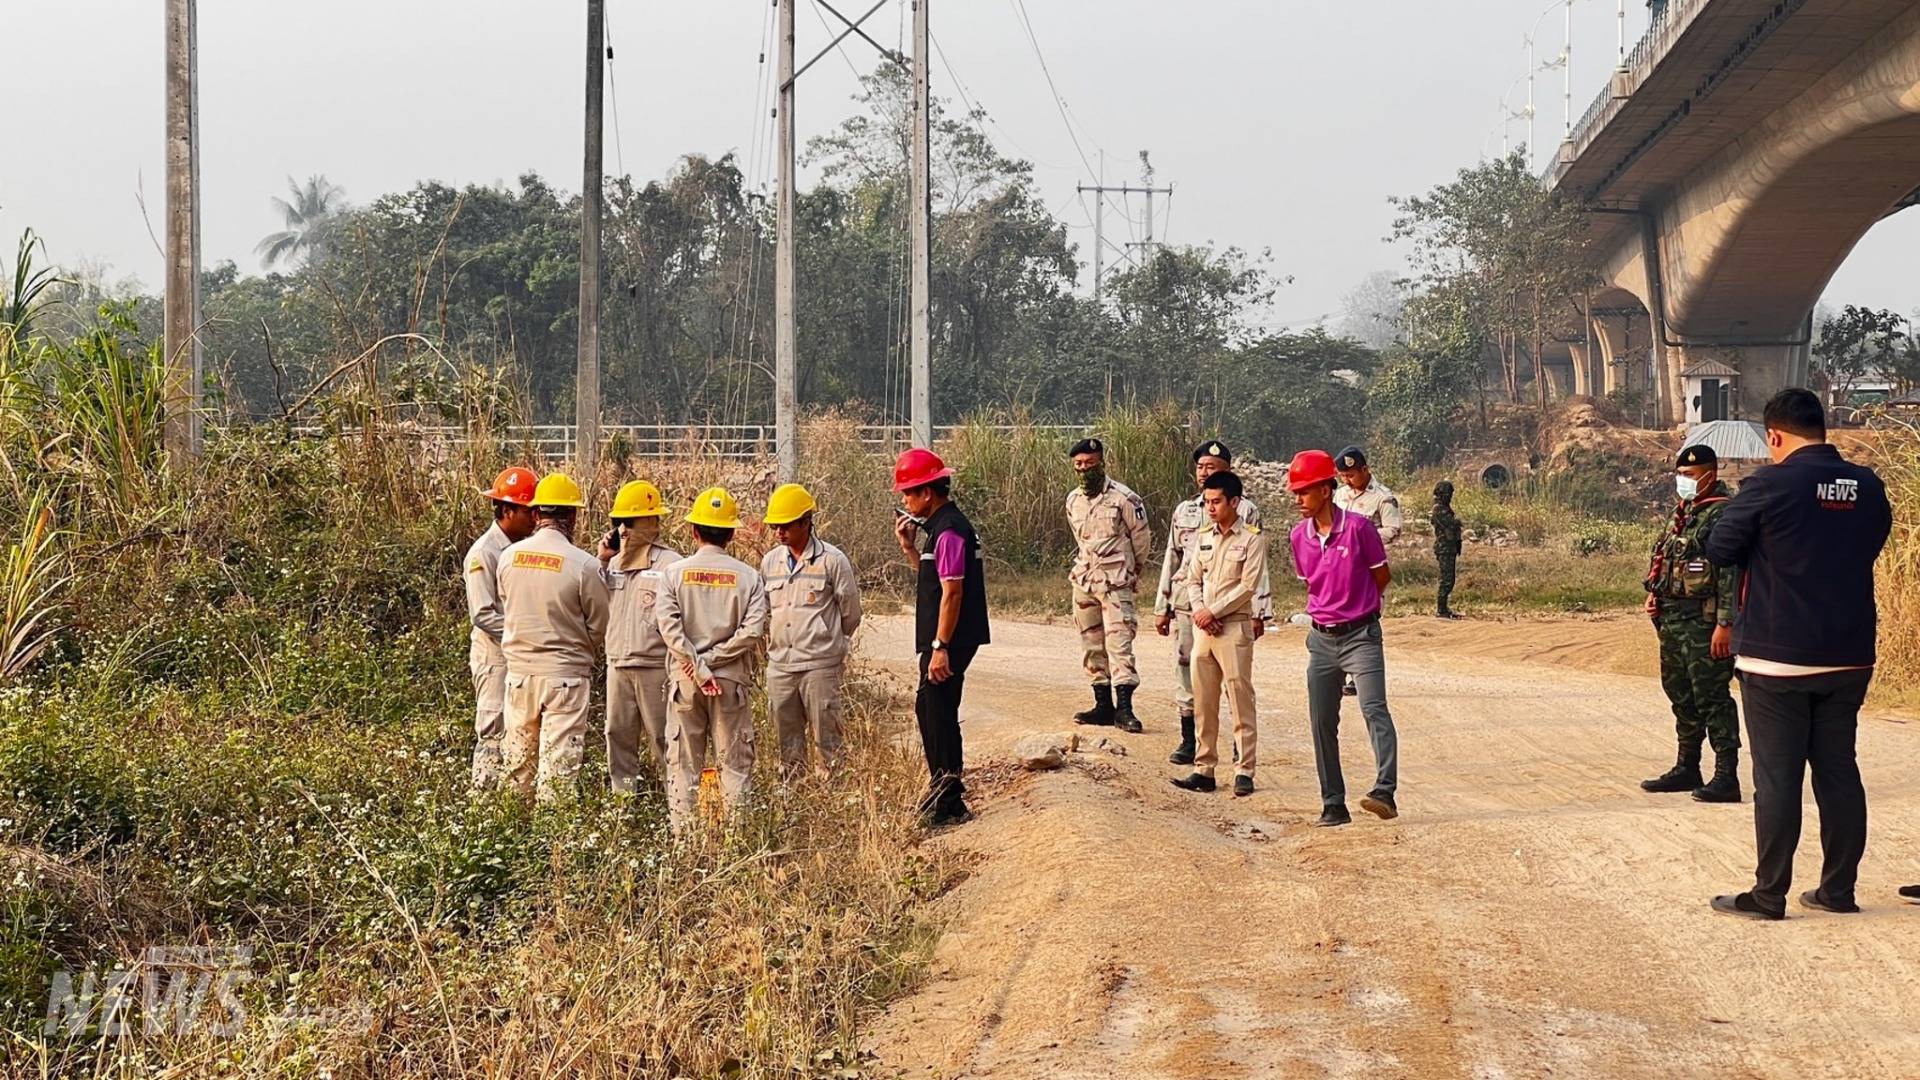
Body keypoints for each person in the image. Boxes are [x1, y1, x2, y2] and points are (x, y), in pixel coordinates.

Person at [1704, 389, 1893, 920]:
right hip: (1849, 654)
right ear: (1823, 429)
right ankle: (1837, 891)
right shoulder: (1868, 486)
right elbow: (1871, 542)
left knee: (1778, 778)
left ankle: (1769, 895)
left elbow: (1719, 546)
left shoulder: (1768, 483)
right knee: (1838, 773)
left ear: (1775, 436)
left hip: (1775, 656)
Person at [1290, 449, 1400, 827]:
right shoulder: (1298, 538)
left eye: (1304, 492)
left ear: (1325, 490)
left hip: (1361, 636)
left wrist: (1361, 605)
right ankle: (1333, 803)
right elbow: (1311, 585)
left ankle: (1385, 790)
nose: (1299, 501)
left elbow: (1381, 577)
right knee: (1322, 722)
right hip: (1321, 641)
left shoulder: (1360, 529)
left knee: (1373, 709)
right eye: (1296, 493)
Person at [656, 487, 768, 833]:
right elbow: (753, 630)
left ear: (694, 531)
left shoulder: (673, 575)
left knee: (683, 766)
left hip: (686, 684)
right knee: (734, 765)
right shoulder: (748, 577)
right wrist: (715, 663)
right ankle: (736, 843)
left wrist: (698, 667)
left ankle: (684, 843)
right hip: (729, 683)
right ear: (731, 534)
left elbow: (670, 630)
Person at [1155, 441, 1272, 766]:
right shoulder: (1186, 510)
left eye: (1213, 468)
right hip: (1190, 606)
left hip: (1231, 611)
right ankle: (1190, 741)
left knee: (1235, 685)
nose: (1205, 473)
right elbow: (1174, 559)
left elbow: (1256, 575)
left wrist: (1260, 612)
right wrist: (1162, 606)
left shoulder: (1246, 514)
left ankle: (1240, 753)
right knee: (1189, 674)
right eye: (1201, 467)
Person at [496, 473, 610, 802]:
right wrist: (577, 647)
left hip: (519, 677)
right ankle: (553, 845)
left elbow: (508, 607)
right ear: (572, 516)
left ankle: (514, 834)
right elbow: (599, 622)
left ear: (535, 515)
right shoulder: (584, 566)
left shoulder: (508, 558)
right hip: (565, 679)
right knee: (558, 771)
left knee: (517, 765)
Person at [1640, 445, 1743, 803]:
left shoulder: (1723, 515)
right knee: (1679, 692)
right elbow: (1665, 556)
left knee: (1712, 696)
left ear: (1710, 476)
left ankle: (1726, 775)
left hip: (1704, 621)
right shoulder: (1682, 513)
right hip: (1672, 616)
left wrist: (1725, 624)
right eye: (1680, 476)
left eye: (1690, 476)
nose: (1683, 482)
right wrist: (1654, 591)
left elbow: (1730, 571)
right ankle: (1688, 766)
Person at [893, 448, 990, 827]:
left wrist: (940, 647)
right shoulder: (939, 529)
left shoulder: (949, 531)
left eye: (908, 494)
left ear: (927, 493)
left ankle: (948, 797)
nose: (905, 501)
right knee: (932, 708)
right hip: (947, 638)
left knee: (937, 708)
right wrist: (909, 549)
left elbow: (953, 593)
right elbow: (933, 580)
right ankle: (944, 789)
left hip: (950, 639)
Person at [760, 482, 863, 779]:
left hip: (820, 666)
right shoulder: (770, 562)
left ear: (806, 521)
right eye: (776, 526)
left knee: (828, 740)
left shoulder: (832, 560)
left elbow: (850, 611)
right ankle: (795, 800)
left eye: (787, 525)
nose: (780, 532)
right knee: (787, 743)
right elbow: (766, 609)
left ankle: (833, 799)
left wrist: (832, 643)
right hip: (781, 667)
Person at [597, 479, 682, 794]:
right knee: (617, 735)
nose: (623, 530)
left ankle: (674, 796)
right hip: (617, 665)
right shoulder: (611, 562)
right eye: (620, 523)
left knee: (663, 736)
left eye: (629, 523)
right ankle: (625, 796)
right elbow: (592, 598)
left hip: (654, 667)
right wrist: (603, 559)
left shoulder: (671, 564)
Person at [1065, 437, 1155, 733]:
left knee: (1120, 643)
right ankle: (1102, 705)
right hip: (1084, 580)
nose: (1083, 469)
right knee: (1091, 644)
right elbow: (1080, 539)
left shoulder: (1124, 498)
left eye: (1089, 464)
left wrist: (1134, 569)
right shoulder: (1073, 500)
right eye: (1078, 464)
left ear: (1101, 462)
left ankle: (1125, 708)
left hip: (1116, 581)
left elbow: (1141, 538)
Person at [463, 465, 539, 789]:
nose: (534, 519)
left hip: (518, 656)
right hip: (495, 658)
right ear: (507, 511)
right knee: (493, 731)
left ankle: (511, 807)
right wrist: (526, 634)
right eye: (528, 511)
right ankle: (484, 808)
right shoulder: (484, 553)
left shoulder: (524, 550)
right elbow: (482, 614)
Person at [1333, 446, 1402, 696]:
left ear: (1365, 470)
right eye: (1343, 476)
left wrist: (1361, 536)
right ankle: (1338, 671)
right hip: (1338, 566)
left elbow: (1393, 529)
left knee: (1363, 618)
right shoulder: (1339, 495)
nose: (1348, 480)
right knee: (1337, 614)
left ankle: (1359, 675)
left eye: (1352, 475)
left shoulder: (1383, 497)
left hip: (1368, 566)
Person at [1430, 480, 1462, 619]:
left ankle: (1443, 608)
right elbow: (1450, 524)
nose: (1449, 496)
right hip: (1444, 548)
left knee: (1450, 579)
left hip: (1449, 547)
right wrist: (1456, 523)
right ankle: (1441, 609)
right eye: (1447, 493)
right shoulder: (1439, 509)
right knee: (1447, 579)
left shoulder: (1445, 508)